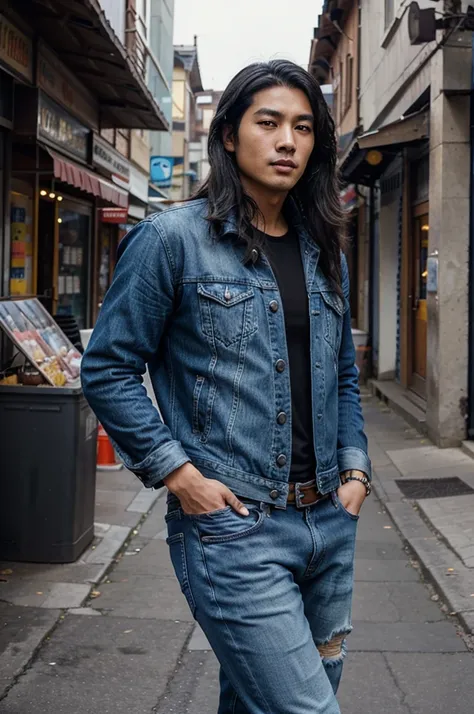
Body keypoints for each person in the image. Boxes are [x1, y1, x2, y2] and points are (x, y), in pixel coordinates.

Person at [81, 59, 371, 714]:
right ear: (231, 134)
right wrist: (178, 475)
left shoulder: (324, 251)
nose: (287, 141)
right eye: (268, 122)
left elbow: (343, 374)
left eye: (302, 127)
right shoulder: (170, 240)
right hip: (236, 528)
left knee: (255, 702)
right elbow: (107, 365)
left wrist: (355, 471)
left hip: (329, 517)